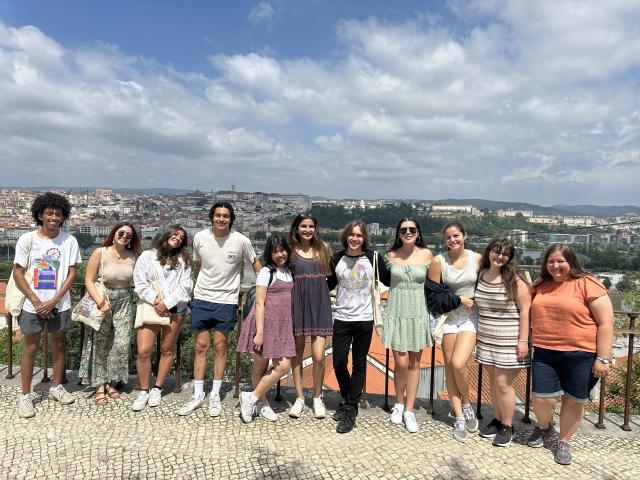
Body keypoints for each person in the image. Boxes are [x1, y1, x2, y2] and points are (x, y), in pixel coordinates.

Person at [527, 244, 613, 465]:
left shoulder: (588, 284)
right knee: (541, 398)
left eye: (560, 261)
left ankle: (564, 441)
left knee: (574, 401)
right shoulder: (540, 285)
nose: (556, 266)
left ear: (571, 262)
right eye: (551, 261)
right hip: (545, 351)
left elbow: (606, 323)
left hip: (582, 354)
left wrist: (603, 357)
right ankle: (545, 427)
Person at [178, 202, 260, 417]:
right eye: (218, 215)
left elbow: (255, 264)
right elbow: (198, 265)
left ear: (231, 218)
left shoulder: (241, 240)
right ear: (211, 217)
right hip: (203, 298)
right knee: (200, 347)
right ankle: (197, 393)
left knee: (221, 346)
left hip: (227, 300)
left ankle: (214, 393)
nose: (221, 219)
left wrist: (264, 290)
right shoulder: (200, 238)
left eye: (225, 216)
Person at [13, 192, 82, 418]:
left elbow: (72, 274)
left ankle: (56, 387)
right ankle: (25, 395)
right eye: (49, 213)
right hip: (33, 304)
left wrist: (52, 300)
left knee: (59, 344)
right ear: (40, 214)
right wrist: (36, 300)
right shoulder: (27, 239)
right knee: (30, 348)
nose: (54, 217)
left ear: (63, 217)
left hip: (58, 303)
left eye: (58, 214)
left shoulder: (69, 241)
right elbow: (18, 273)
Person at [327, 221, 389, 433]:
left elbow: (390, 278)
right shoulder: (336, 258)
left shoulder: (373, 258)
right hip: (342, 317)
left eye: (359, 235)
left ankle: (351, 409)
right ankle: (347, 398)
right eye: (352, 235)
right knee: (338, 362)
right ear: (346, 236)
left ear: (364, 238)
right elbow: (326, 284)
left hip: (364, 318)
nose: (355, 238)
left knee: (359, 364)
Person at [428, 221, 481, 442]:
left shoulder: (477, 258)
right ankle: (459, 415)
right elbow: (431, 295)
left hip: (470, 316)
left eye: (456, 235)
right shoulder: (439, 261)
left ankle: (467, 403)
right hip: (448, 317)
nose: (453, 240)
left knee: (459, 363)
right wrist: (458, 299)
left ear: (465, 236)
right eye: (448, 237)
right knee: (450, 366)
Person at [475, 238, 531, 447]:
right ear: (489, 252)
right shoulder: (481, 276)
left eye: (505, 254)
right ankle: (498, 419)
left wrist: (523, 341)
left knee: (503, 384)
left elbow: (526, 311)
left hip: (509, 339)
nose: (500, 257)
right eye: (496, 252)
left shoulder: (515, 281)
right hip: (487, 338)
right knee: (493, 382)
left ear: (509, 258)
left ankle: (508, 425)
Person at [131, 226, 193, 411]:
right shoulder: (147, 256)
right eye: (175, 234)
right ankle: (144, 389)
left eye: (182, 237)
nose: (178, 238)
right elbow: (139, 281)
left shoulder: (183, 261)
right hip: (150, 307)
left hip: (175, 309)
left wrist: (167, 303)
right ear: (166, 235)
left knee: (167, 350)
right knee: (143, 350)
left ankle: (157, 387)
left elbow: (186, 286)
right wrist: (156, 301)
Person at [79, 221, 141, 404]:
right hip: (103, 298)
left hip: (125, 301)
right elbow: (89, 280)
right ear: (114, 233)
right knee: (100, 343)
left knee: (121, 344)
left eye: (128, 235)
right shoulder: (100, 252)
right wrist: (99, 302)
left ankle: (112, 382)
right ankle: (99, 386)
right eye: (121, 233)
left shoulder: (134, 256)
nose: (124, 236)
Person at [237, 236, 296, 423]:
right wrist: (260, 332)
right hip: (263, 322)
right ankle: (261, 403)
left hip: (281, 324)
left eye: (282, 250)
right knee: (260, 366)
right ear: (270, 254)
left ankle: (250, 397)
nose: (280, 254)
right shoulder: (265, 272)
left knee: (283, 366)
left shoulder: (288, 271)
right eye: (275, 251)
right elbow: (260, 303)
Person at [383, 218, 433, 433]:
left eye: (412, 229)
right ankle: (398, 403)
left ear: (418, 232)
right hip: (396, 311)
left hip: (418, 311)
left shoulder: (428, 255)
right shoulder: (389, 256)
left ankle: (409, 409)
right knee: (400, 363)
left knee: (414, 363)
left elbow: (436, 285)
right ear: (398, 233)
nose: (408, 232)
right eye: (404, 230)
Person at [288, 213, 333, 419]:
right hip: (298, 304)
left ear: (316, 228)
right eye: (303, 226)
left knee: (318, 356)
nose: (307, 230)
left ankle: (317, 396)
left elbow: (331, 277)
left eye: (311, 226)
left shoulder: (323, 249)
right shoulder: (290, 252)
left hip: (320, 303)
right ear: (297, 228)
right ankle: (299, 397)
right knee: (296, 353)